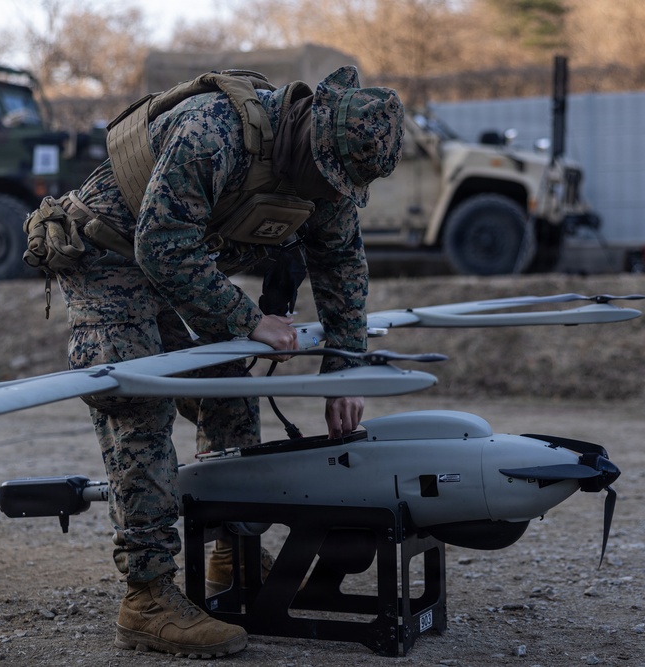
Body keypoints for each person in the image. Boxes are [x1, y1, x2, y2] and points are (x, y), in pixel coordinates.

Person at [23, 64, 404, 658]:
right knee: (137, 400)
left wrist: (346, 369)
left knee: (228, 388)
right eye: (325, 179)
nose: (327, 195)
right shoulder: (214, 131)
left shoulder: (322, 165)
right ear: (311, 135)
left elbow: (341, 263)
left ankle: (233, 555)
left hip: (173, 260)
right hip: (106, 251)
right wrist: (250, 320)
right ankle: (147, 598)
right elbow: (161, 244)